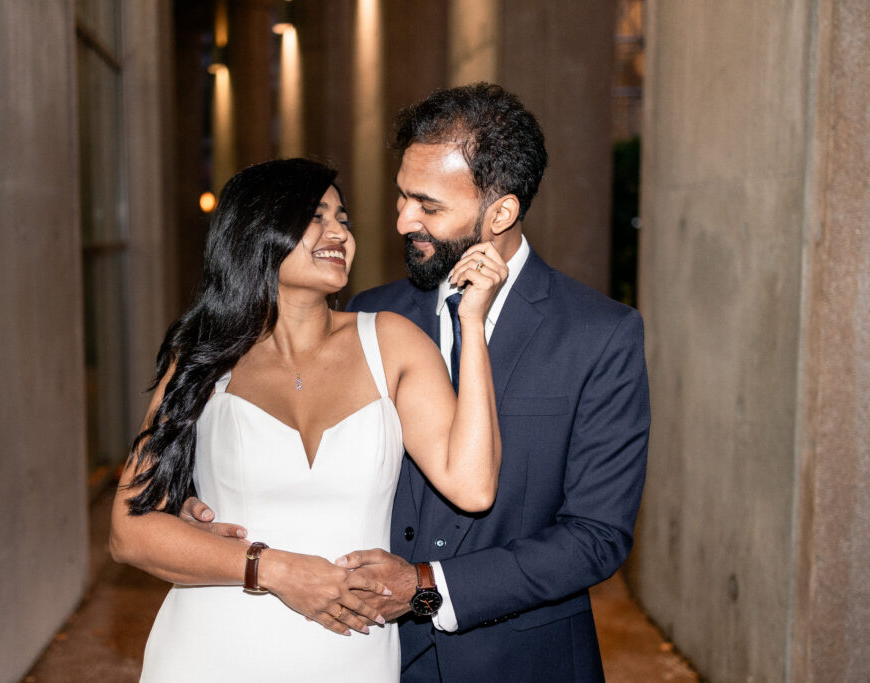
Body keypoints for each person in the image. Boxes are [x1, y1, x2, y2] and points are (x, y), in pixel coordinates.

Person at [184, 83, 650, 681]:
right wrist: (205, 507)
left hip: (521, 663)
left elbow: (596, 536)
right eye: (402, 196)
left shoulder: (599, 335)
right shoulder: (373, 313)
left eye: (428, 206)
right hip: (362, 651)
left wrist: (427, 590)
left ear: (500, 212)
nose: (403, 220)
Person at [109, 158, 507, 682]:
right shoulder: (204, 361)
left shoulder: (390, 343)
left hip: (349, 652)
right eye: (315, 216)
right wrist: (271, 568)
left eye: (342, 218)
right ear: (257, 231)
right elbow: (128, 531)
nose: (339, 231)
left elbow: (473, 487)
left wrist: (472, 324)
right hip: (211, 649)